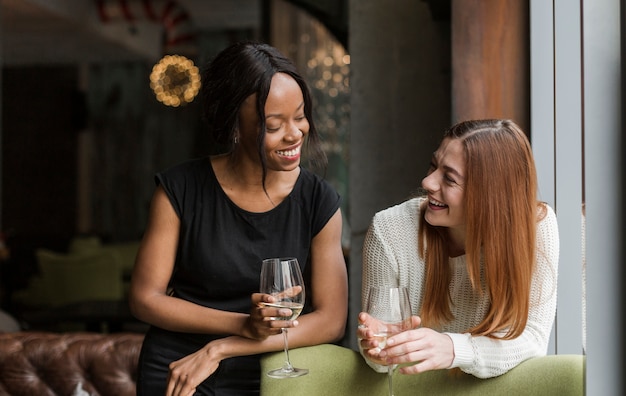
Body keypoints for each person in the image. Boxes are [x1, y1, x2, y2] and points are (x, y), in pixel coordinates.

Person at [129, 41, 348, 396]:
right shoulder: (180, 189)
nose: (295, 134)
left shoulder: (318, 201)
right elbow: (144, 298)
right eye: (274, 125)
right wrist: (244, 324)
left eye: (300, 116)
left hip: (273, 371)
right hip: (179, 368)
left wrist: (224, 346)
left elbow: (331, 321)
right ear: (235, 127)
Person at [357, 119, 559, 379]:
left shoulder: (537, 227)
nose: (428, 182)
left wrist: (453, 348)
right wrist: (378, 352)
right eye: (434, 166)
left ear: (489, 196)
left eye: (449, 179)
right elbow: (381, 359)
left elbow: (532, 340)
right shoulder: (389, 229)